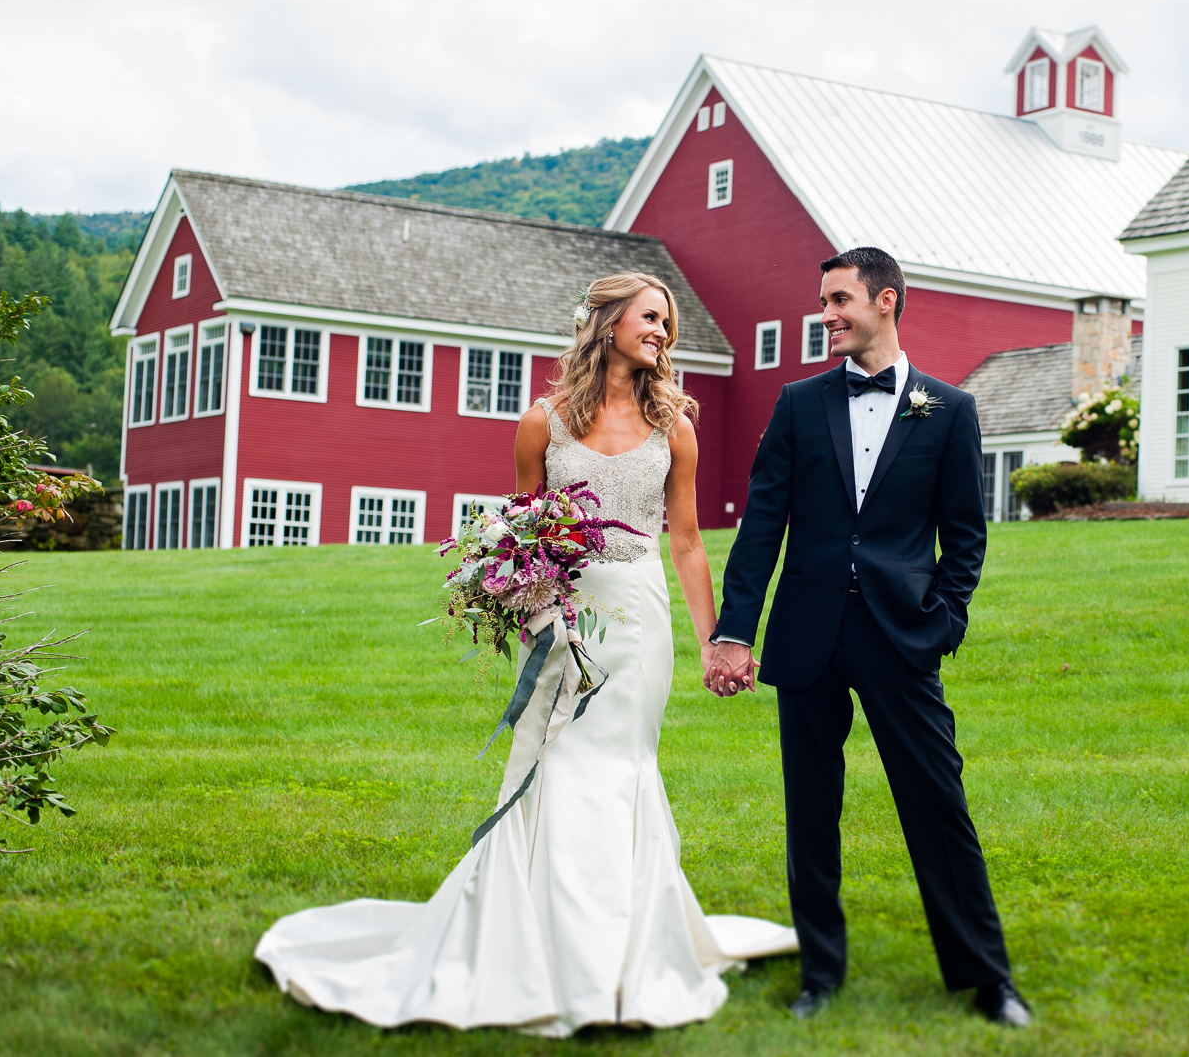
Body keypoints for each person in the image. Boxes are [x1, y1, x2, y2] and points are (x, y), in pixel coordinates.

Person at [255, 272, 795, 1037]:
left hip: (639, 624)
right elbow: (521, 533)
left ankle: (619, 955)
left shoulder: (677, 427)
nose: (663, 334)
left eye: (667, 323)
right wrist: (538, 609)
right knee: (559, 764)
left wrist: (714, 643)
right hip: (560, 620)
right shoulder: (542, 422)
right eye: (650, 318)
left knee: (620, 768)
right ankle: (537, 947)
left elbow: (685, 541)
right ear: (606, 323)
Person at [706, 247, 1031, 1027]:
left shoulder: (949, 410)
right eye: (823, 301)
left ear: (886, 301)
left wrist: (944, 622)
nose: (827, 315)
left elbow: (965, 534)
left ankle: (988, 978)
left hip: (901, 637)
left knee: (938, 804)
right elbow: (761, 530)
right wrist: (733, 633)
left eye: (840, 300)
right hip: (807, 634)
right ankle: (820, 973)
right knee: (810, 813)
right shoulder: (796, 403)